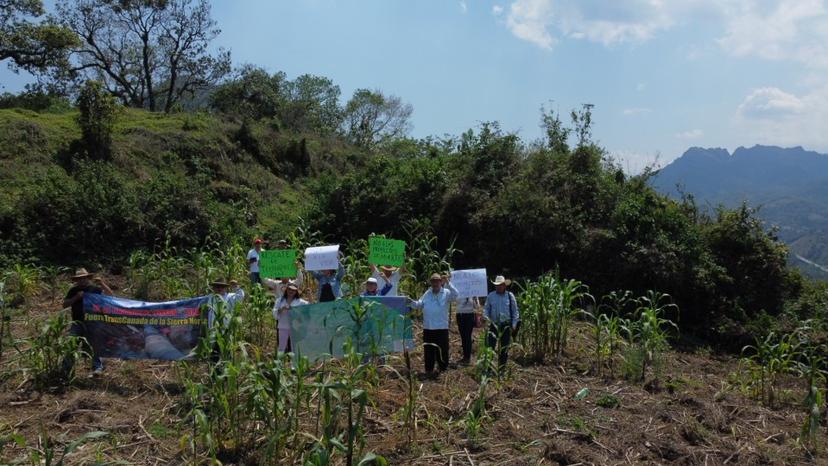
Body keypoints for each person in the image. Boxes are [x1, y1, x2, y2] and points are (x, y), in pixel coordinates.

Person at [62, 268, 113, 376]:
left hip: (92, 322)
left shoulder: (94, 289)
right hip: (77, 323)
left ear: (87, 278)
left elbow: (110, 296)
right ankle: (66, 369)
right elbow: (65, 304)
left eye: (84, 278)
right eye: (80, 279)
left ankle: (97, 367)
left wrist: (102, 283)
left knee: (93, 345)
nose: (82, 280)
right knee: (71, 344)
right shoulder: (73, 291)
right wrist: (76, 297)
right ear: (77, 280)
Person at [410, 273, 458, 376]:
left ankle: (443, 369)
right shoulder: (427, 293)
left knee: (442, 349)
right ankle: (429, 370)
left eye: (437, 281)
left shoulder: (446, 292)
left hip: (441, 328)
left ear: (441, 282)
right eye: (433, 281)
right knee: (428, 350)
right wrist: (410, 302)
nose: (435, 283)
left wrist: (448, 282)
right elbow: (419, 304)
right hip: (428, 327)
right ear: (431, 283)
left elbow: (456, 295)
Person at [484, 275, 520, 369]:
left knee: (504, 348)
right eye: (497, 285)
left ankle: (502, 368)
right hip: (494, 324)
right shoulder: (491, 296)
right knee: (490, 346)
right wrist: (486, 318)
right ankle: (489, 367)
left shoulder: (510, 296)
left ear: (504, 285)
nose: (498, 286)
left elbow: (515, 311)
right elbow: (486, 309)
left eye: (500, 285)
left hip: (506, 325)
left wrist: (514, 324)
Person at [273, 281, 308, 352]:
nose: (291, 291)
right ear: (286, 290)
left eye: (293, 290)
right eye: (289, 289)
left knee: (294, 346)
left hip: (295, 327)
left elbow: (308, 309)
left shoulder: (301, 302)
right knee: (281, 346)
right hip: (283, 325)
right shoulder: (280, 300)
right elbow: (274, 311)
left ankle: (294, 362)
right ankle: (280, 362)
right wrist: (281, 310)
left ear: (296, 292)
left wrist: (297, 313)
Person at [456, 296, 481, 365]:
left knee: (467, 335)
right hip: (459, 315)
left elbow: (477, 305)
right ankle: (465, 356)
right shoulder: (458, 289)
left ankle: (467, 357)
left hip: (469, 315)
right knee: (463, 336)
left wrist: (474, 300)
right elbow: (454, 298)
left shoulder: (473, 292)